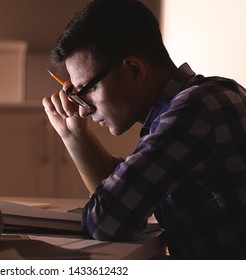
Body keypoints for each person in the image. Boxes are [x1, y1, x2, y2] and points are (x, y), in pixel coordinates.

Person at [42, 0, 246, 259]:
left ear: (133, 69)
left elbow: (107, 220)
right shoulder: (210, 95)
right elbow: (131, 188)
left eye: (87, 90)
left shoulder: (194, 109)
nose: (83, 108)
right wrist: (72, 134)